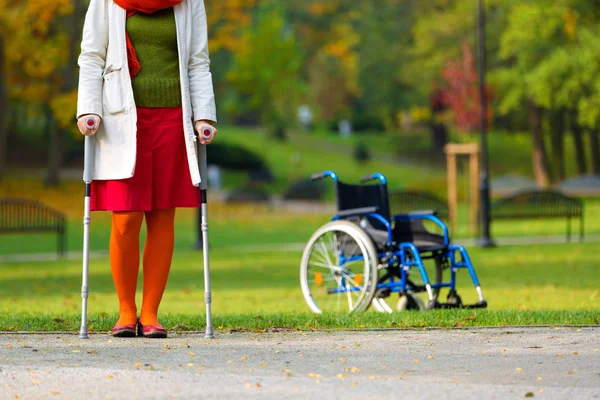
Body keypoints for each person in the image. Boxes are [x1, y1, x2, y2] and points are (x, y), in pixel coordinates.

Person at [76, 0, 217, 338]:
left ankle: (151, 313)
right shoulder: (107, 2)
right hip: (122, 117)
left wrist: (204, 115)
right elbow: (92, 56)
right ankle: (126, 311)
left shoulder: (189, 2)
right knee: (125, 217)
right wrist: (87, 109)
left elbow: (198, 62)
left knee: (161, 214)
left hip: (172, 119)